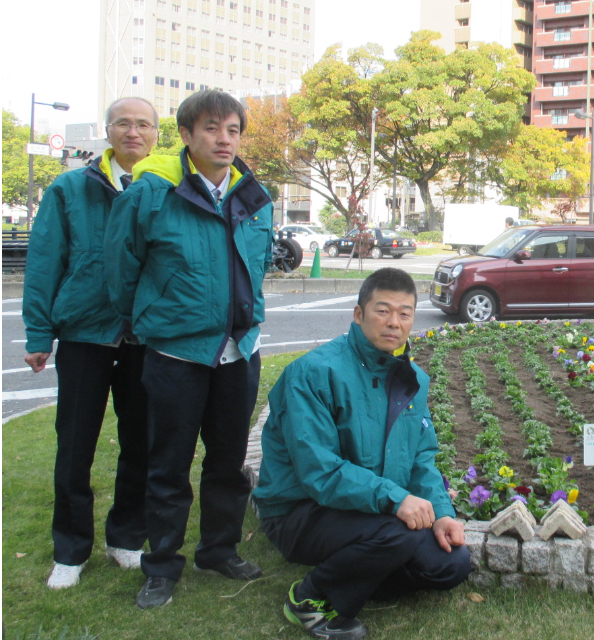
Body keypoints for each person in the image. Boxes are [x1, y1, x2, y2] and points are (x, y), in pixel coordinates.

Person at [105, 89, 275, 608]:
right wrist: (148, 320)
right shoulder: (152, 193)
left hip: (237, 354)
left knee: (227, 463)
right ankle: (161, 565)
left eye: (232, 131)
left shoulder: (254, 196)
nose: (223, 140)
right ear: (186, 135)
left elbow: (260, 262)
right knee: (168, 466)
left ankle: (218, 550)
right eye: (211, 129)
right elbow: (120, 268)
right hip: (176, 356)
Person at [253, 268, 470, 640]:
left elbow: (421, 458)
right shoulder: (312, 373)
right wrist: (395, 499)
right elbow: (318, 472)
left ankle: (357, 571)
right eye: (382, 311)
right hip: (300, 510)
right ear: (358, 314)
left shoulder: (412, 378)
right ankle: (307, 598)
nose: (394, 323)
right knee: (397, 534)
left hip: (368, 511)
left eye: (404, 314)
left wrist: (442, 513)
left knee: (451, 564)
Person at [23, 97, 159, 589]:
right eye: (123, 123)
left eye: (143, 124)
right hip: (84, 334)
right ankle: (70, 548)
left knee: (140, 445)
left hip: (145, 337)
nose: (133, 132)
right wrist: (39, 333)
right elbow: (44, 262)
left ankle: (126, 538)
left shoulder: (164, 186)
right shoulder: (71, 187)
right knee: (74, 445)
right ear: (107, 131)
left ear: (157, 133)